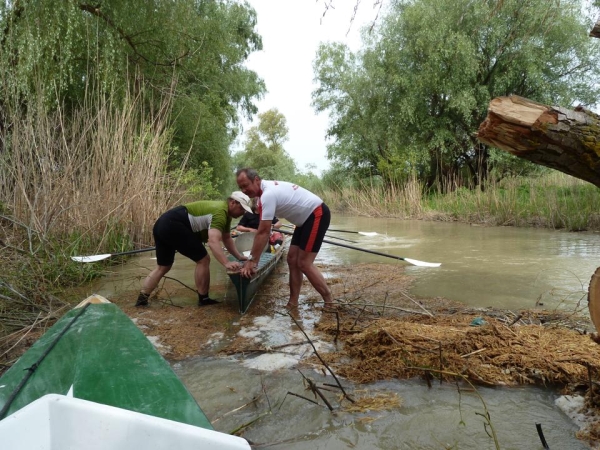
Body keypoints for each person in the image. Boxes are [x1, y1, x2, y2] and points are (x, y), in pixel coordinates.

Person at [235, 168, 335, 310]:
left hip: (316, 213)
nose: (244, 190)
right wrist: (254, 259)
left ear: (256, 180)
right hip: (303, 220)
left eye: (246, 185)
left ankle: (329, 301)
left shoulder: (267, 195)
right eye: (241, 188)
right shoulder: (261, 197)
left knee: (304, 263)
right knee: (292, 259)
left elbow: (263, 232)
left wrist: (252, 261)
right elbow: (265, 230)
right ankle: (293, 303)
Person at [135, 192, 253, 307]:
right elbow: (213, 241)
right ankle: (204, 299)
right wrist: (226, 263)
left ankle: (142, 300)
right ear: (233, 202)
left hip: (162, 224)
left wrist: (239, 257)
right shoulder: (220, 212)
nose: (243, 213)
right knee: (203, 260)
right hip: (173, 224)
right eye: (242, 209)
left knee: (163, 267)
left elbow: (226, 238)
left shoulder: (225, 214)